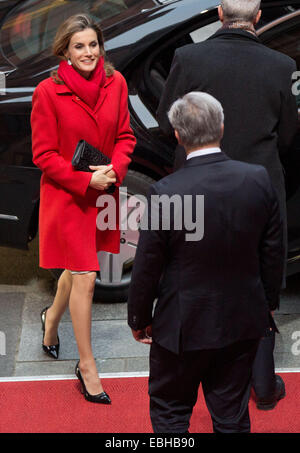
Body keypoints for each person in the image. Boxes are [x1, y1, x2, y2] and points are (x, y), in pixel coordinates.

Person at [156, 0, 298, 410]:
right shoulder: (280, 64)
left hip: (197, 188)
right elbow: (289, 135)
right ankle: (264, 385)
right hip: (259, 187)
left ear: (219, 13)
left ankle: (195, 373)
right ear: (258, 17)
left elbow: (169, 125)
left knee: (193, 273)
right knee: (259, 280)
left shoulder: (188, 57)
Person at [128, 92, 285, 433]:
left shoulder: (167, 191)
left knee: (170, 414)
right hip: (241, 320)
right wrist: (267, 303)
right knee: (231, 414)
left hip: (181, 327)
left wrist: (139, 317)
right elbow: (273, 250)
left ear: (178, 136)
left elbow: (148, 265)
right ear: (222, 128)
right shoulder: (257, 178)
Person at [31, 14, 136, 403]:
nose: (88, 52)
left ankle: (50, 322)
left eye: (93, 45)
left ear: (100, 47)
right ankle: (87, 365)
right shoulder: (47, 91)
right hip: (68, 196)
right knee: (86, 276)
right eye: (79, 46)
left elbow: (125, 136)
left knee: (79, 271)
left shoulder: (117, 82)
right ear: (65, 52)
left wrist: (116, 168)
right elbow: (43, 154)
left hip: (103, 191)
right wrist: (83, 181)